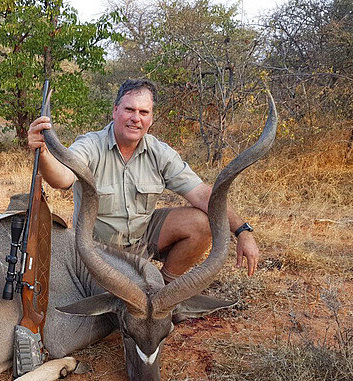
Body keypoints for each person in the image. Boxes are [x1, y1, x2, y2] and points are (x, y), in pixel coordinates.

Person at [27, 79, 259, 282]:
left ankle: (165, 294)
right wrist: (44, 153)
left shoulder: (160, 152)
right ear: (115, 110)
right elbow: (62, 178)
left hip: (141, 238)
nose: (135, 118)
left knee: (202, 222)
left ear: (151, 118)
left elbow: (202, 194)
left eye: (143, 112)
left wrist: (242, 230)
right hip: (97, 250)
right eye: (129, 110)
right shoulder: (90, 145)